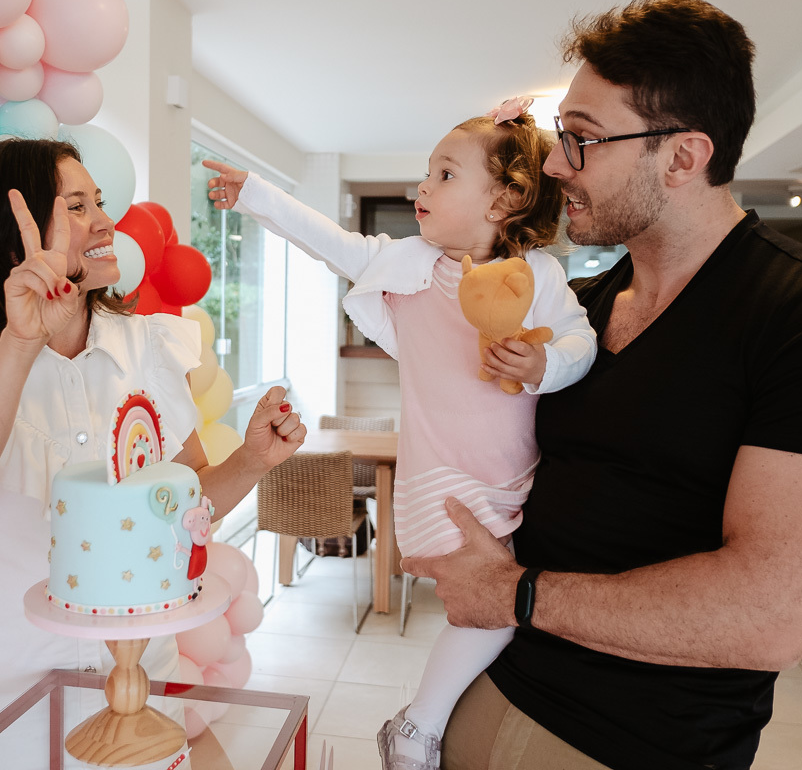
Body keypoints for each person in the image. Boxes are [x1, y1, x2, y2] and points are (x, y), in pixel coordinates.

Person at [401, 0, 802, 770]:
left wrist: (515, 595)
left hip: (628, 745)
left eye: (584, 139)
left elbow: (770, 612)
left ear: (682, 156)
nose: (556, 164)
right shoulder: (579, 309)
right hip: (482, 696)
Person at [0, 138, 305, 768]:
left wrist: (253, 462)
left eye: (100, 201)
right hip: (4, 693)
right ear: (9, 233)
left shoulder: (150, 345)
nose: (105, 221)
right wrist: (18, 344)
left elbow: (181, 501)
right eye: (76, 206)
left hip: (141, 684)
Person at [203, 102, 598, 770]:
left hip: (513, 480)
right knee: (498, 609)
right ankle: (419, 728)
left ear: (502, 199)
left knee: (496, 608)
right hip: (439, 482)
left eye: (444, 174)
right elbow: (328, 240)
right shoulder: (410, 267)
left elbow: (581, 342)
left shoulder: (538, 277)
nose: (422, 187)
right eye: (426, 173)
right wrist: (257, 196)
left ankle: (420, 725)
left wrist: (545, 365)